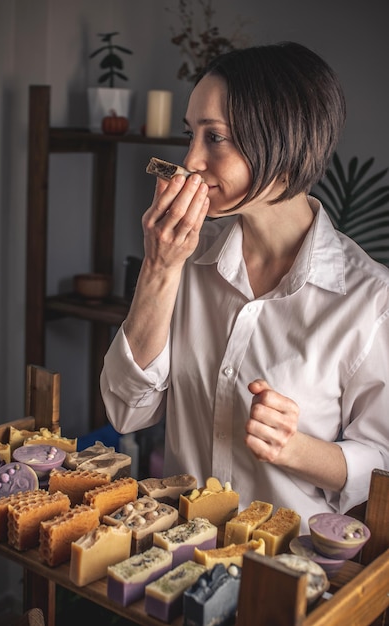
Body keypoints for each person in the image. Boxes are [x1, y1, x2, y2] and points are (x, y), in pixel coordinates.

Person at [100, 41, 389, 532]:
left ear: (283, 145)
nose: (190, 160)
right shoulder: (185, 255)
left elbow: (381, 464)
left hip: (289, 577)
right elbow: (127, 410)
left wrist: (296, 448)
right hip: (176, 561)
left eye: (215, 138)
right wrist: (160, 267)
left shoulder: (369, 300)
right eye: (190, 134)